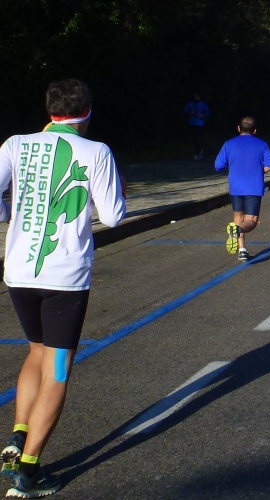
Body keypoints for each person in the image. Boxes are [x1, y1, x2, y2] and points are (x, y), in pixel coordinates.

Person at [0, 79, 126, 497]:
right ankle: (29, 470)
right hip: (65, 281)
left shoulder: (15, 144)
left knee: (36, 351)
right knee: (57, 369)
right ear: (86, 113)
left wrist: (10, 214)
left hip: (19, 274)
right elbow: (113, 216)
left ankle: (19, 433)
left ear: (50, 110)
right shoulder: (96, 151)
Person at [215, 117, 270, 261]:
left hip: (235, 186)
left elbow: (218, 166)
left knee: (238, 217)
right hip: (254, 186)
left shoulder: (229, 144)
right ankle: (238, 230)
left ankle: (242, 249)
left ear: (238, 128)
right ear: (255, 131)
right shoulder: (262, 144)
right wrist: (259, 172)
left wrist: (233, 170)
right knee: (251, 220)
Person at [184, 92, 210, 160]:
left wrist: (203, 115)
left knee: (198, 138)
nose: (196, 97)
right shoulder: (190, 104)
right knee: (194, 139)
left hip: (200, 124)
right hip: (192, 123)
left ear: (200, 97)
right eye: (195, 96)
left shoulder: (203, 104)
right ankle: (197, 152)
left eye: (197, 96)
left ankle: (198, 152)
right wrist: (190, 112)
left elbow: (207, 112)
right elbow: (185, 111)